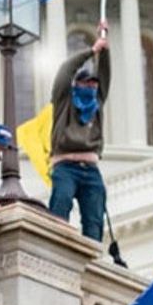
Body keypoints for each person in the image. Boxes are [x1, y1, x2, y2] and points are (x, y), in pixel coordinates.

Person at [48, 25, 111, 241]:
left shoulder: (97, 103)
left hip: (91, 169)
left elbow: (105, 74)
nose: (91, 86)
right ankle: (55, 249)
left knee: (94, 219)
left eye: (93, 83)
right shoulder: (64, 101)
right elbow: (66, 70)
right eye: (86, 82)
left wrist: (105, 49)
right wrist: (92, 51)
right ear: (76, 84)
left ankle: (92, 256)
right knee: (60, 208)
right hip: (65, 166)